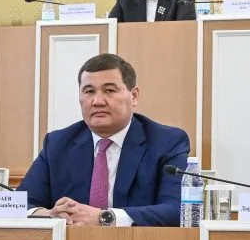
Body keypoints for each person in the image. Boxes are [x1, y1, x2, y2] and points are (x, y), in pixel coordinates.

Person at [20, 53, 190, 226]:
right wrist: (51, 215)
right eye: (89, 91)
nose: (97, 101)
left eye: (109, 90)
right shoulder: (57, 144)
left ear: (134, 96)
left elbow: (179, 210)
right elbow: (20, 204)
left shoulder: (166, 142)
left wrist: (105, 218)